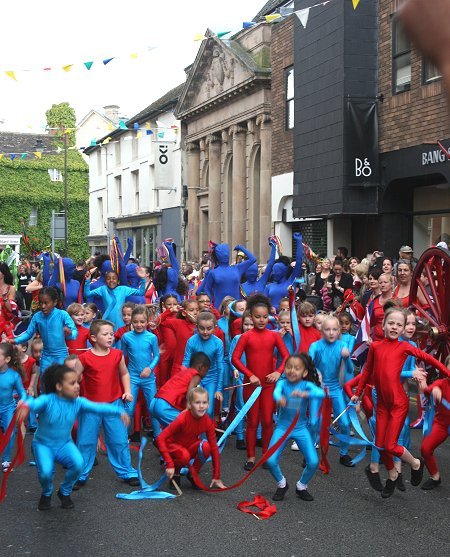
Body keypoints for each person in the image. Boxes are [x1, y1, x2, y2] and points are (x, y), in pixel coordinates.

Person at [352, 307, 449, 498]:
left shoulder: (404, 347)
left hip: (398, 403)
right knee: (380, 444)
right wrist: (358, 392)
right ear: (383, 325)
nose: (395, 327)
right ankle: (392, 474)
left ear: (403, 328)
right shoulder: (376, 347)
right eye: (391, 323)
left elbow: (428, 358)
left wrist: (447, 373)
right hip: (382, 405)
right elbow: (367, 371)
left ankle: (415, 463)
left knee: (390, 445)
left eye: (399, 324)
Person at [16, 364, 130, 510]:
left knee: (78, 464)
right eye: (72, 383)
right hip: (43, 445)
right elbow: (34, 402)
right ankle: (46, 493)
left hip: (64, 444)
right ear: (58, 386)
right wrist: (25, 406)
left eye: (77, 382)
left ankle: (64, 492)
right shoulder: (48, 400)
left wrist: (118, 410)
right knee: (45, 473)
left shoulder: (78, 402)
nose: (77, 386)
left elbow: (99, 407)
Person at [74, 320, 139, 489]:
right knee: (86, 441)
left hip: (114, 404)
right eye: (105, 334)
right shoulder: (84, 358)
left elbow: (124, 373)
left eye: (111, 334)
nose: (110, 337)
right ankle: (80, 473)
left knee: (119, 440)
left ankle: (127, 472)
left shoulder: (117, 354)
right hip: (90, 406)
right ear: (93, 338)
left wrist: (127, 391)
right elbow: (73, 379)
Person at [232, 294, 290, 470]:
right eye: (257, 317)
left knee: (266, 421)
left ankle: (266, 455)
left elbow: (286, 356)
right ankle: (250, 457)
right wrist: (249, 375)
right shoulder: (246, 336)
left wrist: (278, 372)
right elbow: (235, 358)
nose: (261, 320)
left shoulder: (274, 336)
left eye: (265, 317)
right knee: (252, 422)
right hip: (252, 386)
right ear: (250, 315)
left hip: (268, 385)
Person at [266, 353, 325, 502]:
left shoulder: (306, 385)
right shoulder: (282, 383)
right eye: (289, 367)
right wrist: (280, 399)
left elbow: (321, 393)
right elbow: (276, 393)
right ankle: (282, 484)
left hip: (300, 428)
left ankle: (301, 486)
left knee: (313, 462)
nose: (292, 370)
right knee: (270, 460)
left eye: (297, 368)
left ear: (304, 372)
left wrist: (305, 393)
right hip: (282, 427)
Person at [155, 386, 225, 490]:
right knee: (184, 455)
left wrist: (216, 476)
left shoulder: (208, 422)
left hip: (188, 447)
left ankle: (193, 474)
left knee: (206, 446)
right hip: (173, 447)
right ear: (189, 404)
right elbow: (160, 438)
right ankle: (176, 473)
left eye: (204, 403)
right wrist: (169, 463)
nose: (201, 406)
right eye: (197, 403)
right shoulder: (182, 418)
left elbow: (214, 449)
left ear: (208, 404)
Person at [309, 315, 354, 467]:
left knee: (345, 423)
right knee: (314, 422)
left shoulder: (342, 346)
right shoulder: (315, 346)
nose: (331, 333)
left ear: (339, 330)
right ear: (321, 330)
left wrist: (347, 358)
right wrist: (316, 372)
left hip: (335, 388)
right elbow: (308, 364)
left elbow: (349, 370)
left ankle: (344, 454)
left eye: (334, 329)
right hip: (318, 389)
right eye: (327, 329)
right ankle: (310, 453)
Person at [11, 287, 77, 376]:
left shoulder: (62, 314)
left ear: (54, 302)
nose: (43, 306)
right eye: (41, 303)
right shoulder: (37, 317)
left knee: (61, 381)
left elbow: (74, 333)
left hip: (61, 355)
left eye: (46, 303)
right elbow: (28, 333)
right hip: (46, 356)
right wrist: (15, 340)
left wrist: (70, 333)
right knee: (45, 384)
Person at [121, 306, 160, 437]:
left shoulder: (151, 337)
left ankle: (158, 437)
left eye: (142, 322)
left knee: (153, 408)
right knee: (129, 408)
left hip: (148, 378)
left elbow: (157, 356)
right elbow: (122, 356)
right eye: (136, 322)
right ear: (131, 321)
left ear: (147, 321)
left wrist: (150, 368)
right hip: (132, 377)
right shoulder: (126, 337)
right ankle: (123, 438)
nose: (139, 325)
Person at [151, 352, 211, 429]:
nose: (206, 374)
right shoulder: (196, 375)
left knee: (173, 431)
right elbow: (191, 392)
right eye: (206, 371)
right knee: (191, 427)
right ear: (200, 367)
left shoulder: (184, 373)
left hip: (154, 403)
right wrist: (189, 409)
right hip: (165, 406)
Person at [182, 311, 224, 420]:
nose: (205, 332)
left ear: (215, 327)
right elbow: (185, 362)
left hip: (211, 379)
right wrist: (183, 381)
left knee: (208, 410)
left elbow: (220, 366)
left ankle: (206, 436)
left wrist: (219, 389)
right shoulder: (191, 341)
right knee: (195, 408)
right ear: (196, 327)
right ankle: (196, 436)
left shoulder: (218, 343)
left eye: (209, 328)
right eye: (202, 328)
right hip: (195, 378)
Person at [420, 355, 450, 490]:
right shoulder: (442, 383)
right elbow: (427, 390)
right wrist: (434, 390)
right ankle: (435, 477)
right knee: (425, 448)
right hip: (442, 424)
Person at [197, 243, 257, 309]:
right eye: (222, 254)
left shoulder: (237, 268)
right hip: (219, 307)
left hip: (236, 307)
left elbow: (253, 259)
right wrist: (210, 303)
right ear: (217, 255)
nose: (225, 255)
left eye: (226, 253)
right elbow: (207, 289)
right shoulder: (212, 273)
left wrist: (241, 248)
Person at [229, 310, 254, 450]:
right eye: (246, 324)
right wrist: (234, 369)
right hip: (241, 377)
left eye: (251, 324)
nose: (249, 327)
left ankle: (258, 436)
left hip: (255, 376)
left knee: (256, 406)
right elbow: (232, 357)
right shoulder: (237, 339)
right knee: (240, 405)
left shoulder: (259, 337)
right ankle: (240, 436)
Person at [0, 343, 26, 472]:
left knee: (10, 435)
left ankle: (5, 460)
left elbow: (23, 393)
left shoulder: (13, 376)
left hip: (8, 408)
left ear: (7, 359)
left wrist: (22, 401)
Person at [159, 299, 199, 376]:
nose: (195, 312)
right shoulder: (179, 323)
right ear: (184, 313)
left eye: (197, 310)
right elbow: (158, 321)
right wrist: (170, 310)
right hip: (179, 367)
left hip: (196, 367)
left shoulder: (202, 326)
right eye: (191, 310)